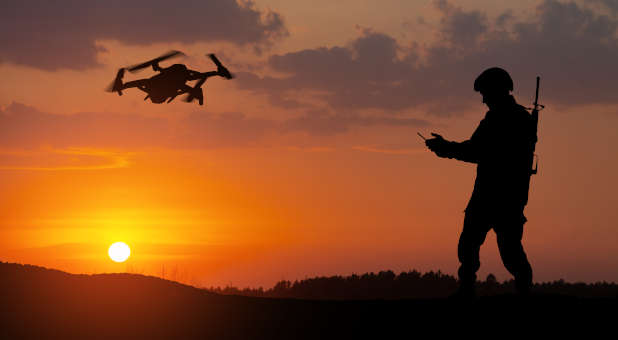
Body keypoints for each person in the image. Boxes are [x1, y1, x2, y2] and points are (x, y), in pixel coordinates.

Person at [425, 67, 535, 298]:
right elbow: (477, 149)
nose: (483, 100)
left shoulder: (510, 119)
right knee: (470, 244)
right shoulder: (504, 118)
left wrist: (445, 148)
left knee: (508, 251)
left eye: (485, 93)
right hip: (492, 195)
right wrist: (447, 148)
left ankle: (522, 291)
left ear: (497, 90)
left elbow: (477, 151)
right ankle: (470, 289)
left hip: (503, 197)